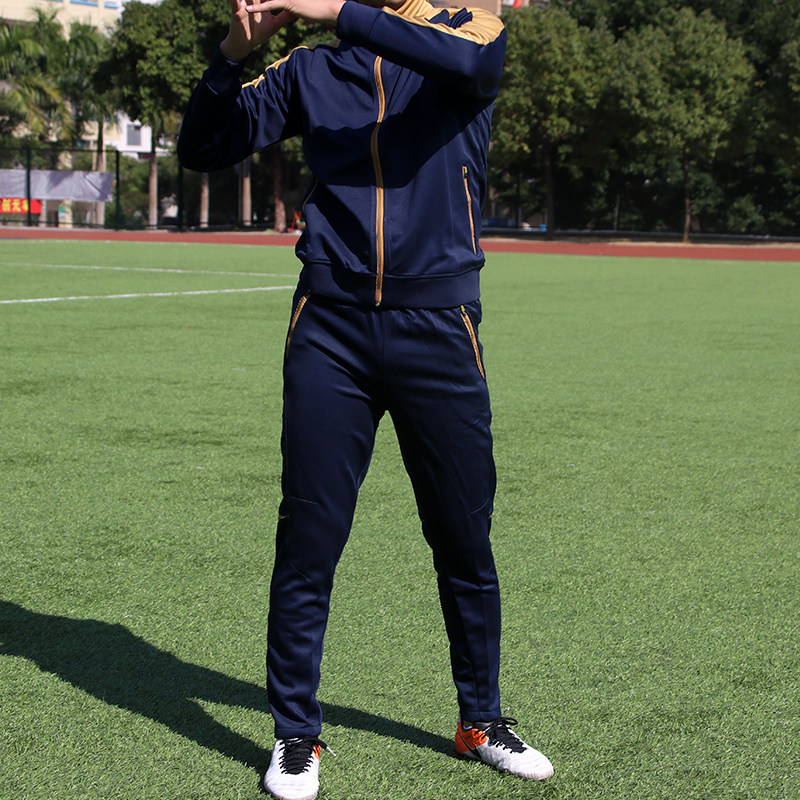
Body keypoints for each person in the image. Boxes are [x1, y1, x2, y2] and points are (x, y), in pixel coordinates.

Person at [178, 0, 554, 797]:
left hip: (438, 328)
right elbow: (203, 148)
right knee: (308, 538)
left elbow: (473, 64)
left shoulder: (466, 32)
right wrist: (231, 54)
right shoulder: (310, 69)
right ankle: (295, 734)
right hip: (332, 331)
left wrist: (338, 11)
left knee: (463, 537)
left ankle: (481, 719)